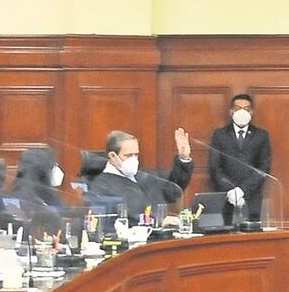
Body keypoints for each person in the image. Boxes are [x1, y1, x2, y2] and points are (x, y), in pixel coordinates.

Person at [89, 129, 193, 224]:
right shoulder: (102, 186)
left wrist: (184, 158)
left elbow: (171, 191)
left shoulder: (143, 176)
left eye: (136, 155)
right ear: (112, 156)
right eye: (129, 155)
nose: (134, 159)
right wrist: (159, 221)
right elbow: (126, 215)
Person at [208, 93, 273, 222]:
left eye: (246, 109)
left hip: (252, 197)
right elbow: (215, 168)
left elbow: (263, 167)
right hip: (225, 197)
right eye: (238, 108)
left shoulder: (261, 135)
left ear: (252, 112)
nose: (242, 112)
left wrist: (242, 190)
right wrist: (231, 191)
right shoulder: (220, 135)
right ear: (231, 111)